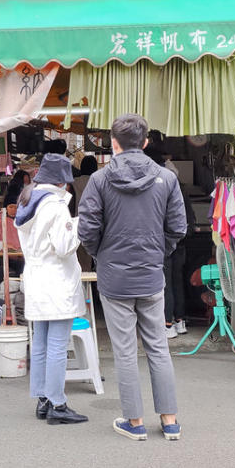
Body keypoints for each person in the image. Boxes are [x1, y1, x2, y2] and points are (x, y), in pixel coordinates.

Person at [78, 113, 187, 441]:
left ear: (112, 143)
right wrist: (158, 253)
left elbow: (87, 229)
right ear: (146, 142)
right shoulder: (166, 179)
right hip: (151, 274)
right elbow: (178, 227)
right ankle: (170, 421)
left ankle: (134, 423)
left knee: (125, 350)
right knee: (158, 347)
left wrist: (102, 255)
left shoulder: (99, 180)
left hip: (114, 277)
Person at [15, 153, 87, 425]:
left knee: (42, 343)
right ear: (62, 183)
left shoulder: (26, 201)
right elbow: (64, 246)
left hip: (35, 277)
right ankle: (58, 402)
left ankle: (43, 398)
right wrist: (79, 225)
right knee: (58, 345)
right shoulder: (55, 206)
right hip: (56, 280)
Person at [164, 192, 196, 339]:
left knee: (166, 285)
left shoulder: (162, 192)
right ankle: (180, 321)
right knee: (178, 283)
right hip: (180, 245)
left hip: (164, 245)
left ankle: (167, 324)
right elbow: (191, 221)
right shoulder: (183, 195)